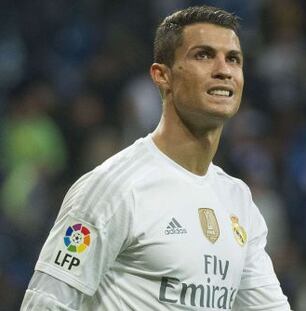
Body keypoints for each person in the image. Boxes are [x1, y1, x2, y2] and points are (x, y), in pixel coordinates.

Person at [21, 6, 292, 310]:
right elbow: (45, 303)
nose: (223, 69)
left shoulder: (238, 200)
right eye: (203, 55)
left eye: (233, 59)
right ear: (162, 76)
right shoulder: (114, 187)